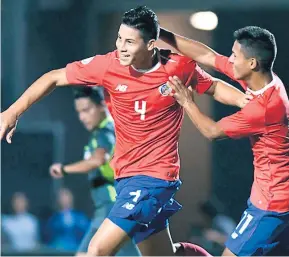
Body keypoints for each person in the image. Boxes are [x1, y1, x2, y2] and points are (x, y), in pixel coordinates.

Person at [0, 6, 251, 256]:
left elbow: (215, 87)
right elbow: (53, 77)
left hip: (155, 178)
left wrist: (246, 102)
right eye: (119, 38)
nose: (121, 46)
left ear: (151, 44)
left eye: (130, 41)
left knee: (96, 250)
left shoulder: (177, 67)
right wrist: (12, 112)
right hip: (126, 178)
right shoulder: (108, 65)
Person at [161, 26, 289, 256]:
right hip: (273, 198)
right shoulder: (263, 81)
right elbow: (207, 56)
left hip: (272, 205)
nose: (230, 60)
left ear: (251, 63)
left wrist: (186, 101)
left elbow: (211, 132)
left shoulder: (265, 107)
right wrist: (161, 33)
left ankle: (187, 252)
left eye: (235, 56)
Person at [49, 87, 139, 256]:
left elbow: (97, 160)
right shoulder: (102, 131)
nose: (82, 117)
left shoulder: (105, 132)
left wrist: (64, 169)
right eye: (79, 112)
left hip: (112, 208)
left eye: (86, 110)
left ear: (102, 106)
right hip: (108, 209)